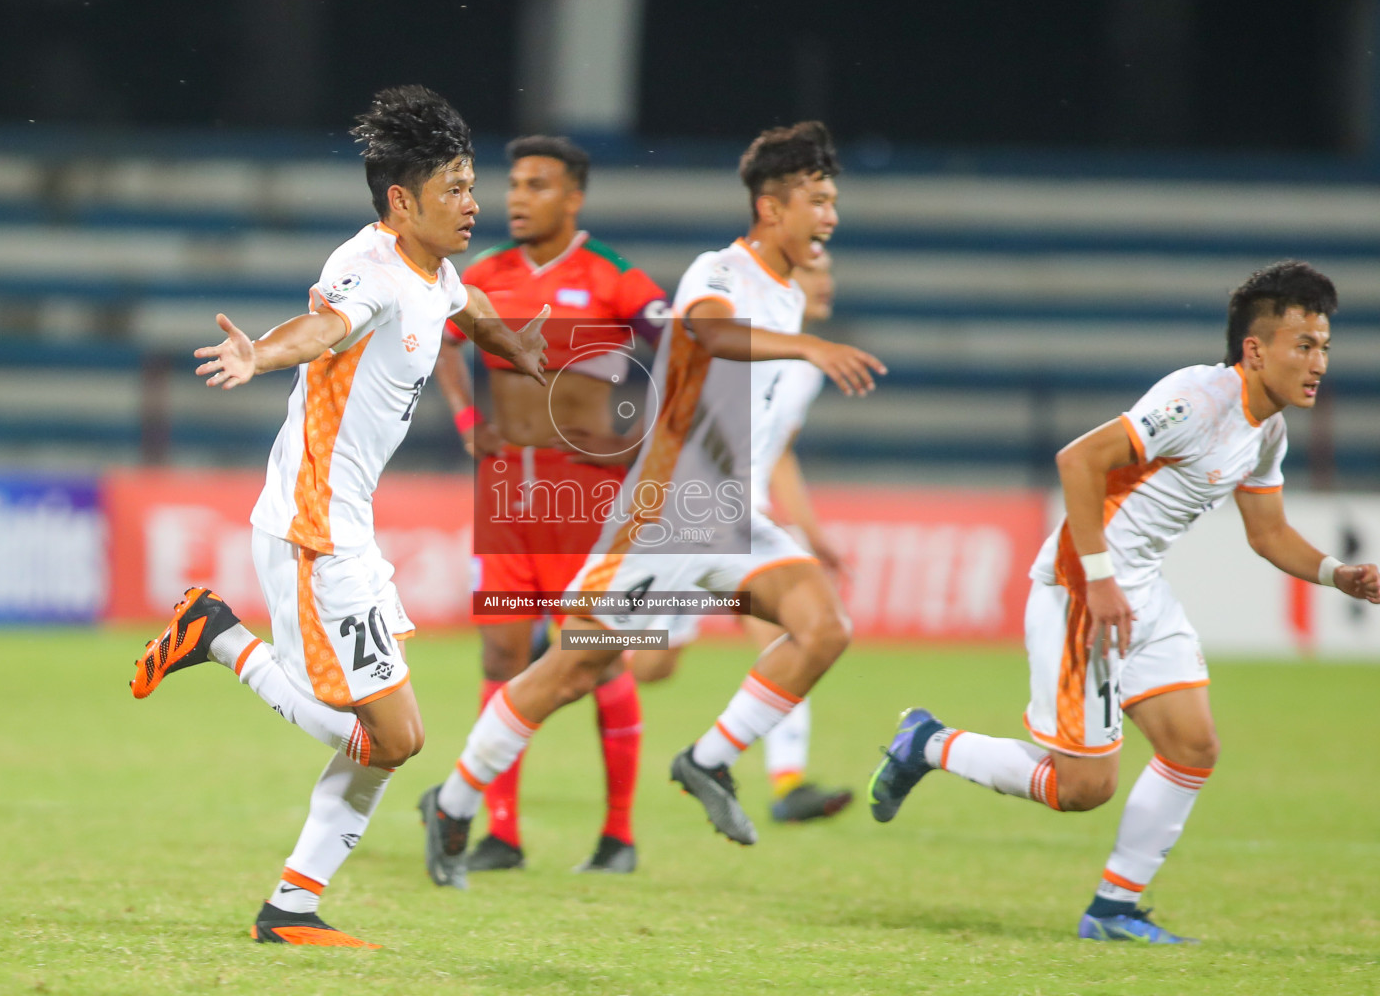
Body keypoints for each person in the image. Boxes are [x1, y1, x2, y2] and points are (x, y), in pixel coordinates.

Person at [127, 85, 548, 946]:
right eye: (456, 188)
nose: (475, 204)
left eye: (473, 184)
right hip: (312, 532)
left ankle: (290, 908)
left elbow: (464, 305)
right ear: (403, 200)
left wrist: (520, 348)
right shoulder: (370, 267)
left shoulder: (433, 268)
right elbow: (321, 331)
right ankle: (216, 636)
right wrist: (260, 354)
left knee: (389, 738)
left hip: (346, 529)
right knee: (395, 737)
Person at [419, 120, 888, 890]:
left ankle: (707, 762)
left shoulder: (788, 296)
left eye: (833, 201)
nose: (830, 216)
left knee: (823, 627)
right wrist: (806, 348)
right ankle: (456, 800)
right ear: (772, 208)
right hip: (665, 515)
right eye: (819, 200)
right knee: (572, 671)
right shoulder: (722, 271)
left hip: (730, 513)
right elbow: (705, 329)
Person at [867, 260, 1380, 943]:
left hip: (1139, 592)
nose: (1318, 362)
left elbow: (1268, 533)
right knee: (1083, 789)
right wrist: (1102, 579)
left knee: (1193, 746)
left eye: (1324, 347)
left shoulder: (1269, 431)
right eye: (1303, 345)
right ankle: (927, 743)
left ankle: (1112, 910)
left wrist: (1333, 573)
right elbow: (1079, 460)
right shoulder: (1198, 399)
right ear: (1255, 350)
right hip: (1084, 588)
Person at [430, 135, 668, 875]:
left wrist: (641, 432)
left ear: (574, 197)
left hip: (584, 494)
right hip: (507, 493)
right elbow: (440, 342)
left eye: (538, 184)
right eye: (515, 184)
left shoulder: (614, 278)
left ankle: (619, 836)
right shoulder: (485, 272)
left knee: (596, 653)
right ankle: (501, 831)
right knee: (503, 651)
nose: (517, 197)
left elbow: (682, 347)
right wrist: (469, 422)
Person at [629, 250, 854, 824]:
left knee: (797, 630)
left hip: (744, 519)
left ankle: (787, 782)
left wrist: (810, 531)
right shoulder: (743, 342)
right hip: (691, 512)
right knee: (653, 667)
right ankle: (565, 644)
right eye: (813, 271)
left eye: (827, 271)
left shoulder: (804, 369)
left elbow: (778, 456)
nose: (825, 282)